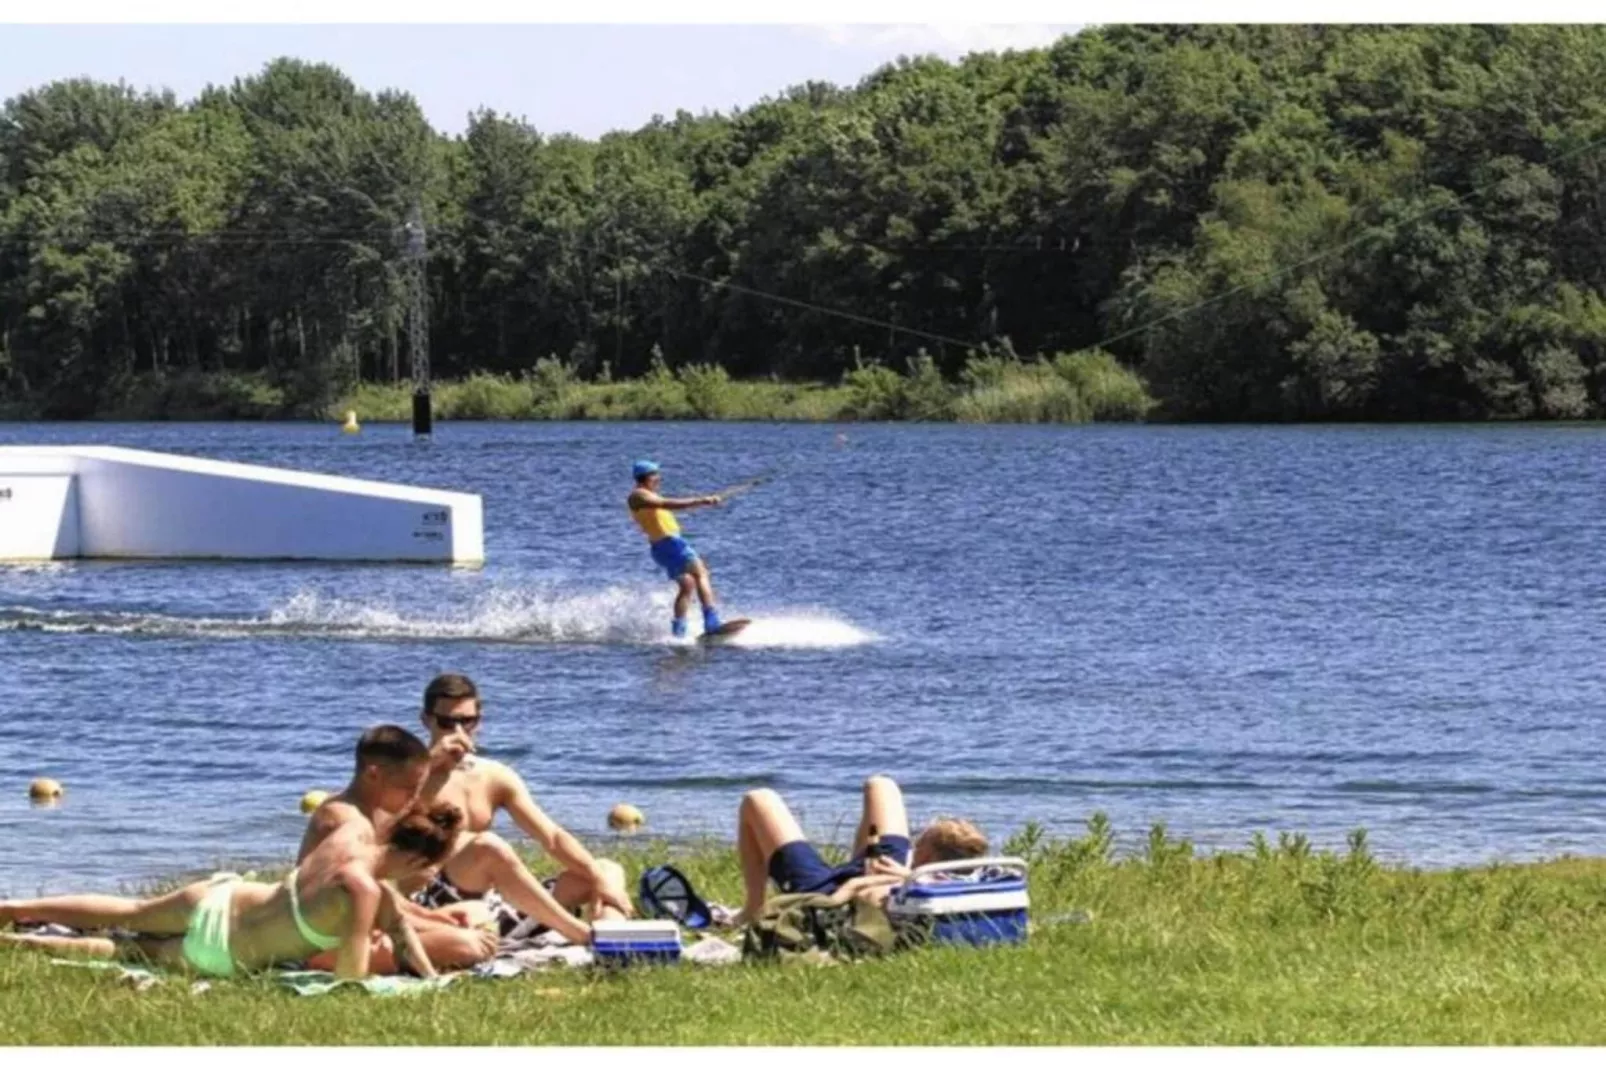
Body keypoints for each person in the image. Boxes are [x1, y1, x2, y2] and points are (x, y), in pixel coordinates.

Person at [0, 801, 464, 980]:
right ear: (420, 861)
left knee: (130, 911)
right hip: (221, 952)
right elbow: (351, 975)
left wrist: (432, 979)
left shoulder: (351, 833)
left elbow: (400, 926)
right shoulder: (365, 892)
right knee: (127, 953)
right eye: (431, 870)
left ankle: (14, 908)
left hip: (219, 897)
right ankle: (16, 943)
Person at [405, 673, 632, 936]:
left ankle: (613, 946)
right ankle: (581, 934)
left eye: (467, 721)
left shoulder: (493, 776)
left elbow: (552, 837)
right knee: (487, 845)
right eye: (446, 722)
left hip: (492, 907)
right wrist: (429, 764)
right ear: (425, 720)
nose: (457, 731)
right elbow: (371, 823)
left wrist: (600, 880)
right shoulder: (405, 775)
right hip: (433, 906)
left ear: (478, 721)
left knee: (605, 871)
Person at [735, 775, 989, 920]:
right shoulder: (971, 880)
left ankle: (753, 908)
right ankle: (856, 860)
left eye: (920, 841)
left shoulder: (926, 890)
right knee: (881, 785)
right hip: (890, 864)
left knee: (758, 799)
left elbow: (851, 899)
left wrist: (908, 879)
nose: (915, 841)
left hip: (826, 890)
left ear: (928, 855)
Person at [626, 458, 725, 638]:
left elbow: (668, 506)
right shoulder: (639, 495)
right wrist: (701, 500)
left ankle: (679, 630)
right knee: (701, 573)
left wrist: (703, 502)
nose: (659, 479)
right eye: (655, 475)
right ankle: (711, 620)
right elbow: (667, 504)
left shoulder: (648, 495)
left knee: (687, 585)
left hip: (662, 547)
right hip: (670, 545)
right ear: (646, 477)